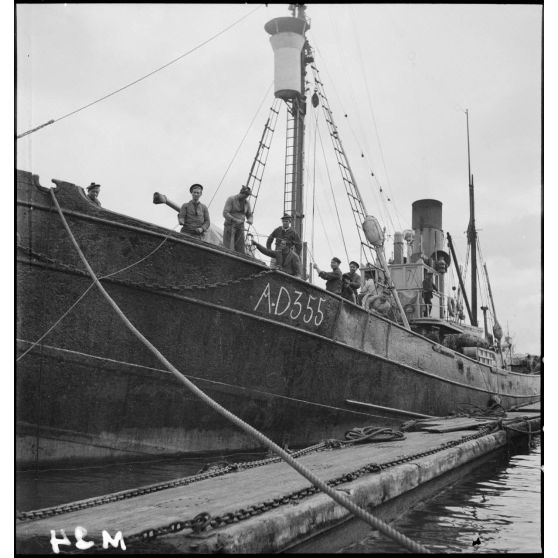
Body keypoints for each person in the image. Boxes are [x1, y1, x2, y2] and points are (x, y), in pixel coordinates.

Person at [223, 186, 253, 253]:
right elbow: (225, 213)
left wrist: (250, 219)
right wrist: (235, 220)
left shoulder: (247, 203)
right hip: (230, 226)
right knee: (228, 248)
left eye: (247, 195)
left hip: (240, 227)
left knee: (240, 248)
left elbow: (249, 214)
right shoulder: (231, 199)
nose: (246, 197)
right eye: (245, 195)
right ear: (241, 193)